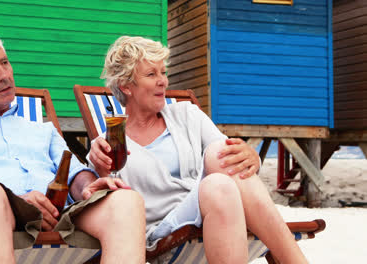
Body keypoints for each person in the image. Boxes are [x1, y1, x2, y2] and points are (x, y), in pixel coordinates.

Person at [0, 29, 146, 264]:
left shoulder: (43, 130)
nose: (4, 75)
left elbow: (71, 173)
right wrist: (15, 201)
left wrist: (88, 188)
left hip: (55, 217)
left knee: (126, 201)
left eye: (4, 63)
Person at [89, 36, 308, 263]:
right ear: (126, 86)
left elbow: (235, 165)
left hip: (215, 207)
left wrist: (252, 157)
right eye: (151, 74)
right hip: (162, 229)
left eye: (163, 72)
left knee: (220, 160)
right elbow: (106, 204)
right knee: (218, 179)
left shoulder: (186, 114)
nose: (163, 81)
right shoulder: (109, 145)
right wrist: (100, 166)